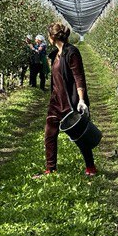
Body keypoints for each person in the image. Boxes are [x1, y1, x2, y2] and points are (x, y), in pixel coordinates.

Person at [40, 22, 97, 177]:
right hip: (56, 101)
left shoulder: (71, 52)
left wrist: (81, 100)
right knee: (49, 134)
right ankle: (50, 168)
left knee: (79, 136)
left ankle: (90, 166)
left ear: (52, 37)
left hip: (70, 102)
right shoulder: (55, 55)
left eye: (48, 35)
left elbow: (79, 77)